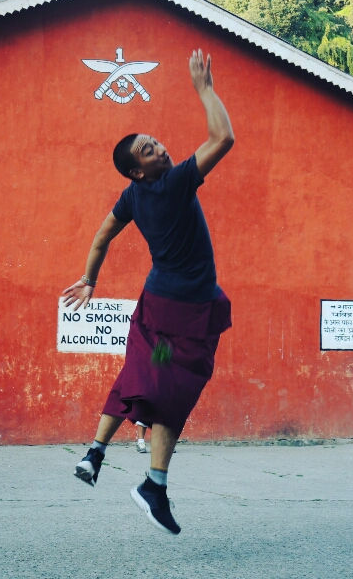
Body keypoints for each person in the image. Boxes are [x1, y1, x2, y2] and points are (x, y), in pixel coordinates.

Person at [63, 49, 234, 535]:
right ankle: (152, 483)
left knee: (147, 375)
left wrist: (90, 279)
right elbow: (223, 137)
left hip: (158, 311)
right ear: (139, 171)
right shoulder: (174, 183)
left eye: (155, 141)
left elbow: (102, 237)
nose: (159, 148)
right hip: (185, 315)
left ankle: (100, 454)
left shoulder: (133, 196)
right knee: (174, 387)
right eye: (148, 150)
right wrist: (204, 90)